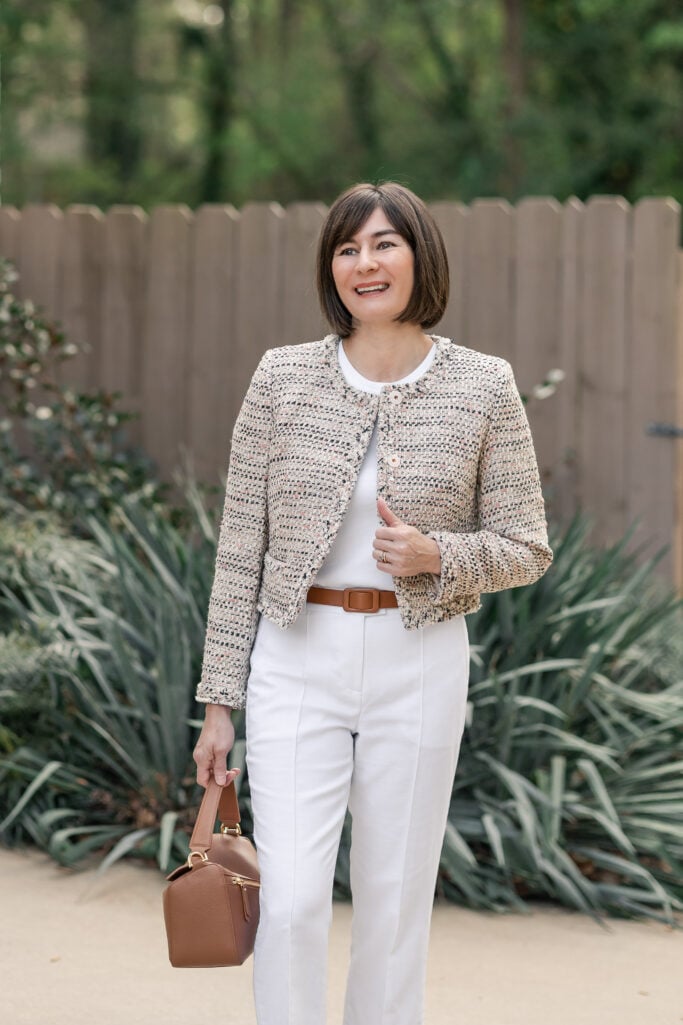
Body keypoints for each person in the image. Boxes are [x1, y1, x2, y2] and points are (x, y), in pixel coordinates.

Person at [192, 181, 553, 1025]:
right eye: (347, 248)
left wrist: (438, 555)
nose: (365, 262)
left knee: (392, 910)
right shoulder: (281, 378)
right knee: (289, 901)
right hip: (295, 657)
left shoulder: (483, 385)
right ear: (332, 269)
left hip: (417, 662)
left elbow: (527, 544)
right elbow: (239, 548)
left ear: (419, 255)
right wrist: (218, 704)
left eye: (384, 243)